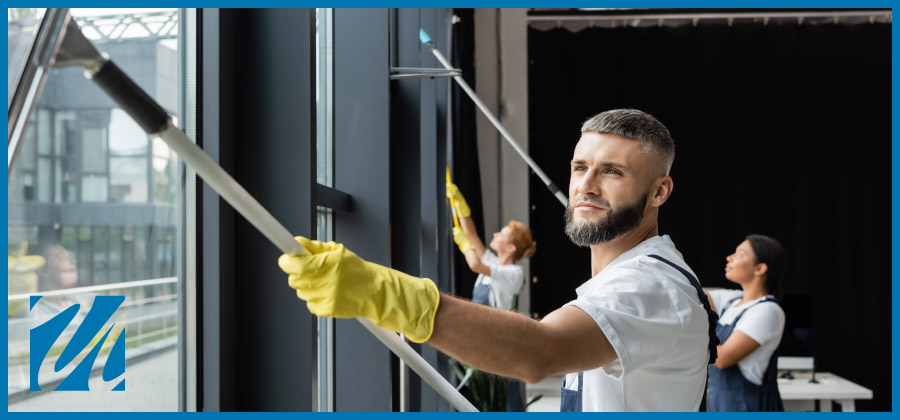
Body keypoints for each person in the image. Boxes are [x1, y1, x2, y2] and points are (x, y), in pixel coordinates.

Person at [278, 109, 719, 411]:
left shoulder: (651, 286)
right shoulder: (627, 276)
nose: (586, 185)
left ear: (659, 191)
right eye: (580, 167)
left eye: (613, 171)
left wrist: (389, 297)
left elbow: (540, 352)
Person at [445, 182, 536, 410]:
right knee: (486, 396)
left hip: (502, 341)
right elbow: (472, 233)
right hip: (482, 337)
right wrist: (460, 205)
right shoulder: (494, 262)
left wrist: (463, 245)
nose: (495, 234)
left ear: (511, 248)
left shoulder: (513, 273)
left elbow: (474, 264)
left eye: (501, 234)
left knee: (506, 395)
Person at [705, 235, 786, 411]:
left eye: (740, 254)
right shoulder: (731, 300)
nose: (729, 257)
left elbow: (722, 358)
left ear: (760, 268)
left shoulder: (767, 310)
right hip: (720, 405)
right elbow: (699, 293)